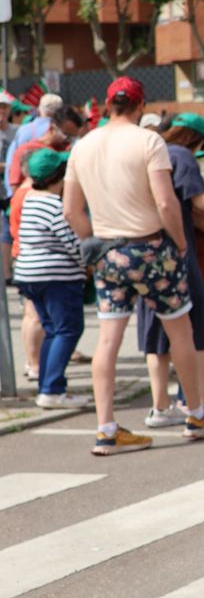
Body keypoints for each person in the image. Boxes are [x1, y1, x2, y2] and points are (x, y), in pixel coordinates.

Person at [63, 78, 204, 456]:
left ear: (107, 105)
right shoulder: (148, 141)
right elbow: (167, 203)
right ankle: (197, 411)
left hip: (108, 249)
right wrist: (181, 243)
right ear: (139, 107)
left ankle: (106, 427)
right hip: (150, 246)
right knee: (180, 331)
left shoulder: (83, 146)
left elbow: (71, 209)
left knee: (108, 340)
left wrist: (97, 239)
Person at [138, 113, 204, 430]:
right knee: (196, 330)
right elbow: (202, 205)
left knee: (155, 335)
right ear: (195, 139)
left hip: (143, 252)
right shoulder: (182, 156)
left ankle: (160, 406)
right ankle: (199, 402)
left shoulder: (149, 151)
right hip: (178, 256)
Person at [15, 150, 88, 409]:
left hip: (28, 272)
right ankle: (52, 389)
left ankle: (48, 386)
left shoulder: (31, 199)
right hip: (56, 275)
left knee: (53, 330)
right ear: (59, 175)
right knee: (68, 329)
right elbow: (72, 242)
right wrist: (88, 263)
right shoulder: (54, 205)